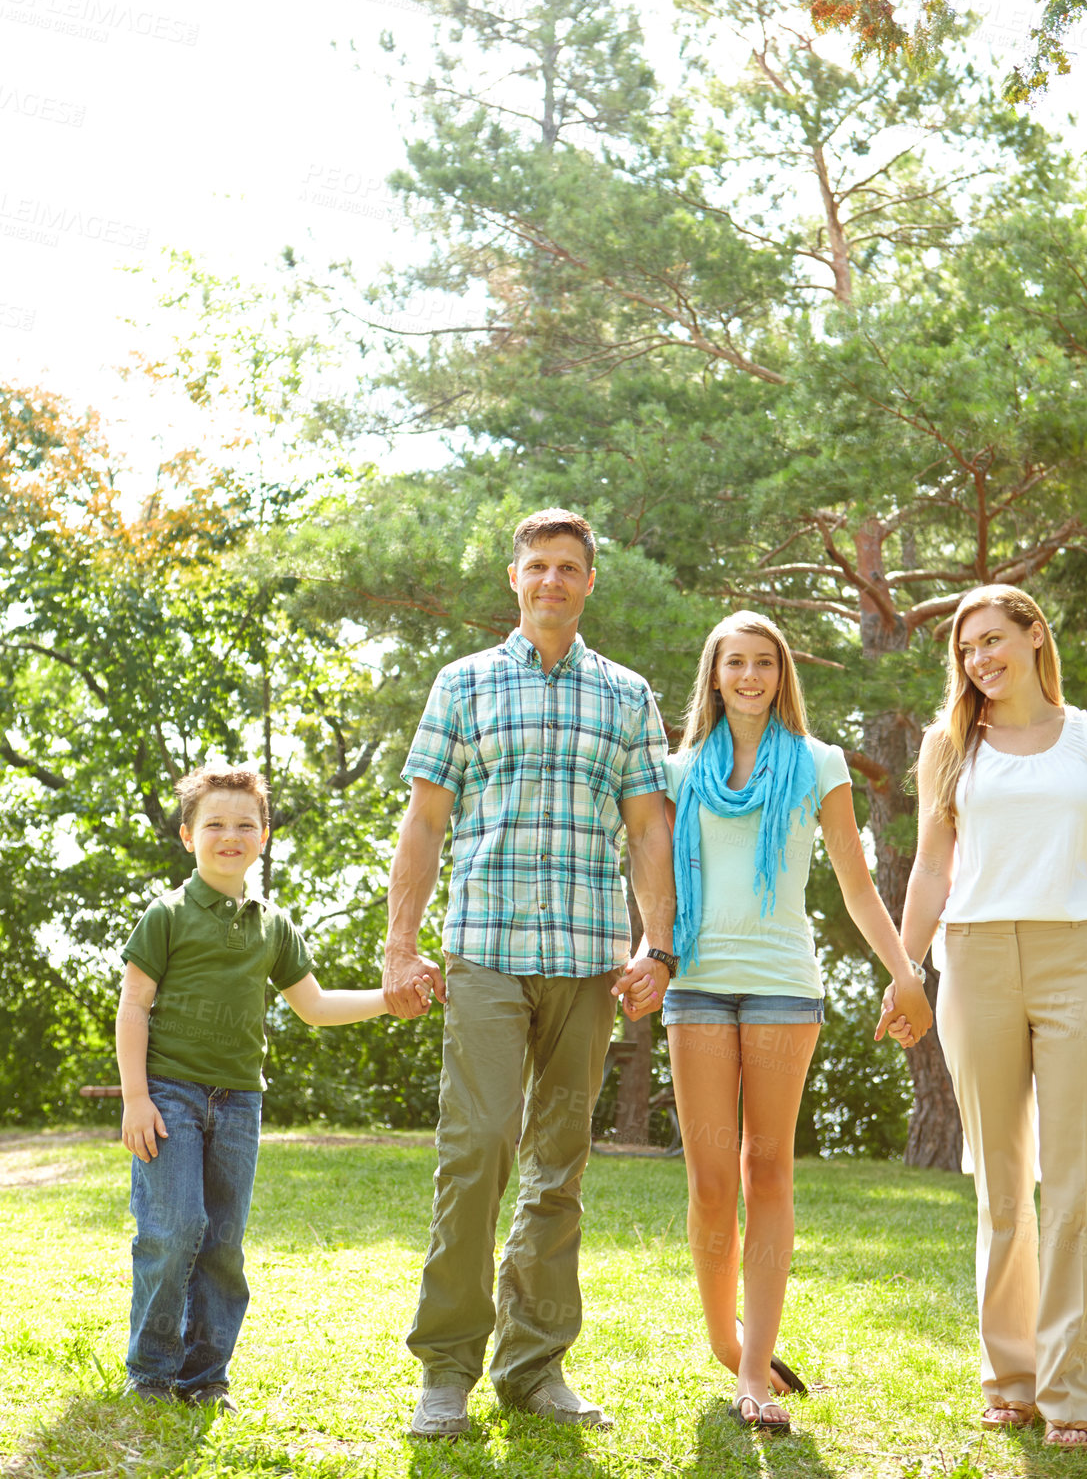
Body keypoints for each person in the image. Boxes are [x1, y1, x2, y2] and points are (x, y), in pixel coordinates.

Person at [382, 508, 677, 1439]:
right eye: (538, 565)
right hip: (485, 952)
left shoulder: (626, 694)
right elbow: (425, 822)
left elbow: (648, 828)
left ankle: (534, 1366)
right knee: (476, 1151)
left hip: (589, 959)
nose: (552, 579)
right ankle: (446, 1370)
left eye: (569, 567)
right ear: (515, 578)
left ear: (589, 581)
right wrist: (400, 944)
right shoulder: (463, 684)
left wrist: (657, 944)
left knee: (559, 1165)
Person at [632, 611, 932, 1433]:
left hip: (782, 987)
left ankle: (753, 1371)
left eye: (765, 662)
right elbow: (656, 880)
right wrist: (648, 954)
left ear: (782, 673)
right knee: (709, 1183)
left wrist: (905, 971)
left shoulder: (818, 762)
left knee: (766, 1171)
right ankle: (727, 1345)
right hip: (696, 984)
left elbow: (855, 882)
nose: (751, 675)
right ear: (715, 673)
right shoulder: (677, 769)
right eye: (736, 662)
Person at [878, 585, 1087, 1450]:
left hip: (1077, 957)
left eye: (993, 640)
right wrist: (905, 969)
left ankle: (1073, 1395)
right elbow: (930, 868)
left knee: (1075, 1187)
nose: (979, 660)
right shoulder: (948, 744)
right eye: (966, 649)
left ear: (1036, 635)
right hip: (975, 959)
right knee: (1002, 1188)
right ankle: (1009, 1381)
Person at [118, 765, 389, 1410]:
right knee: (173, 1230)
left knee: (223, 1245)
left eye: (245, 824)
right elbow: (133, 1006)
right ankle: (150, 1373)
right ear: (188, 835)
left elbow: (314, 1006)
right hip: (169, 1095)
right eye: (214, 823)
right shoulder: (167, 915)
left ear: (263, 836)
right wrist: (136, 1098)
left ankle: (205, 1377)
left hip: (240, 1103)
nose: (230, 835)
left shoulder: (273, 925)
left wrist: (389, 999)